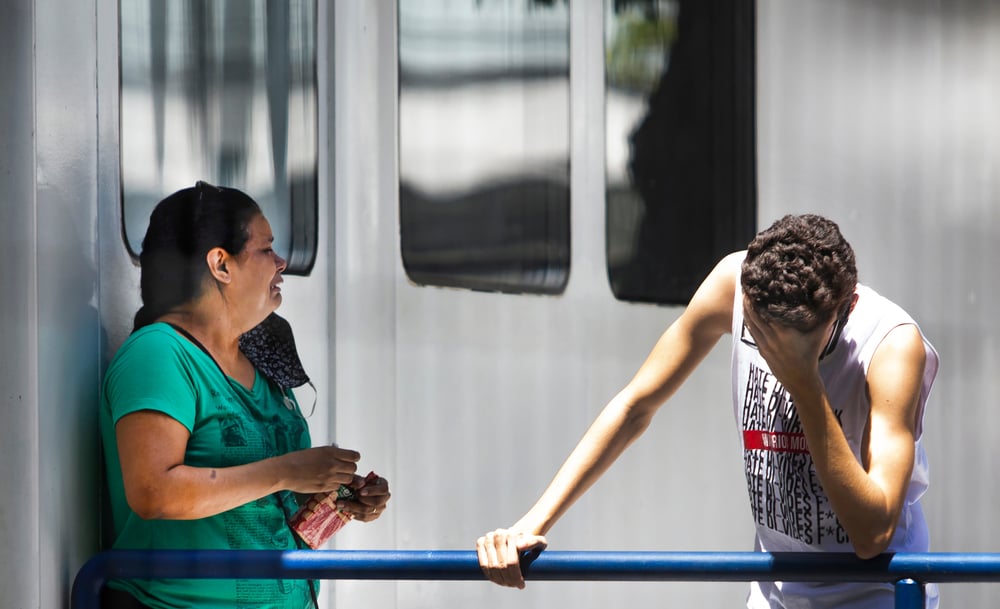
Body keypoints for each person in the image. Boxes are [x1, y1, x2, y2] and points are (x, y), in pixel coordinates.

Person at [477, 214, 939, 608]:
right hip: (775, 589)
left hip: (874, 594)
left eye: (791, 341)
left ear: (847, 306)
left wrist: (804, 383)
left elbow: (872, 534)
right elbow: (636, 405)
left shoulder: (891, 346)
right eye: (761, 332)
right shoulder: (734, 285)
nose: (770, 348)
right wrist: (531, 525)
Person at [100, 181, 391, 609]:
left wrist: (335, 498)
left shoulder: (263, 360)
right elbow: (153, 492)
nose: (281, 262)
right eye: (266, 249)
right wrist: (287, 471)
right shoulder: (159, 353)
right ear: (221, 264)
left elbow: (265, 505)